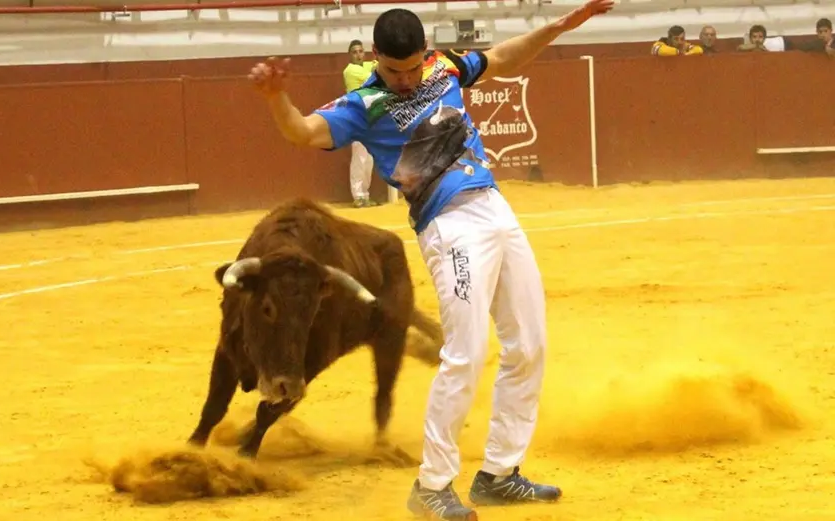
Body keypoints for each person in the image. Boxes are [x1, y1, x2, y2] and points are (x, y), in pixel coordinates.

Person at [246, 1, 613, 519]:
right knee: (465, 353)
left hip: (495, 209)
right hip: (449, 227)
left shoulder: (444, 67)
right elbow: (303, 132)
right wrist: (275, 98)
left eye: (412, 68)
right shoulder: (363, 104)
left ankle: (499, 473)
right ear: (376, 57)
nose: (404, 80)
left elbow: (502, 58)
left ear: (426, 52)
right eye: (394, 70)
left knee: (529, 344)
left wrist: (557, 26)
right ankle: (432, 486)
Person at [342, 39, 380, 208]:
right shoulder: (350, 71)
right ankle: (358, 196)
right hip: (357, 118)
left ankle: (365, 194)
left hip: (370, 118)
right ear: (349, 55)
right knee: (359, 157)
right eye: (354, 52)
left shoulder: (366, 65)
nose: (358, 55)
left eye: (360, 51)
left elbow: (377, 66)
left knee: (369, 158)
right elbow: (374, 76)